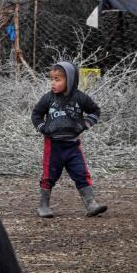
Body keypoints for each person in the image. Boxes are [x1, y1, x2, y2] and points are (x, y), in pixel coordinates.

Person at [31, 61, 108, 218]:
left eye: (57, 79)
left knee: (81, 173)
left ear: (71, 80)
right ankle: (43, 205)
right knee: (49, 175)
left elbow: (95, 111)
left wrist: (85, 124)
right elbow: (36, 115)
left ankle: (90, 203)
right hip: (53, 146)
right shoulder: (48, 98)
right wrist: (42, 128)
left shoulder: (80, 98)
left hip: (73, 145)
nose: (53, 83)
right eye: (51, 79)